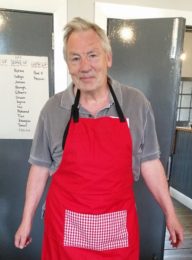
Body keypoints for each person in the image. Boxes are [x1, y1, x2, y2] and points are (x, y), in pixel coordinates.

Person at [15, 17, 183, 259]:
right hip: (66, 229)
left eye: (92, 55)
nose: (85, 66)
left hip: (117, 229)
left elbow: (150, 162)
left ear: (108, 58)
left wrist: (170, 213)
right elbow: (39, 168)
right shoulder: (53, 109)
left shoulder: (136, 103)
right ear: (68, 65)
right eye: (75, 58)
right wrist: (26, 220)